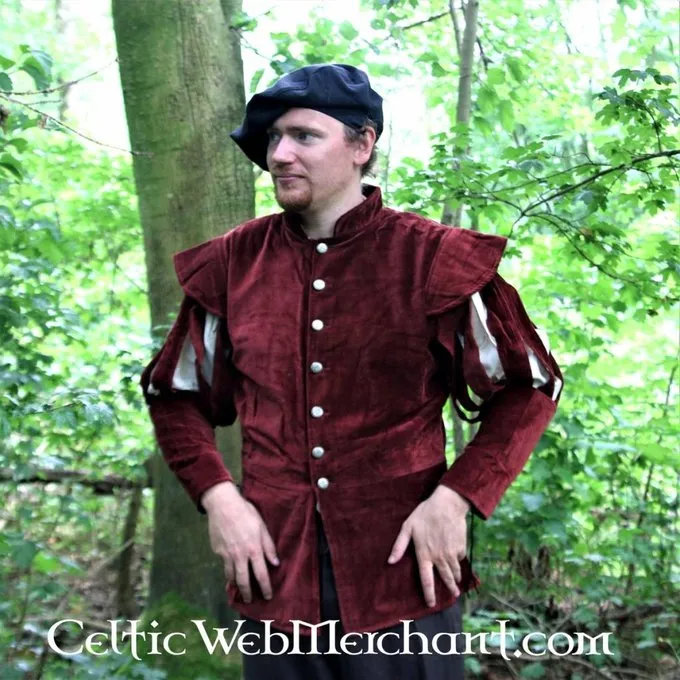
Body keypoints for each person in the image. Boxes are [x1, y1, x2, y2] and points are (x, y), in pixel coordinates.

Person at [141, 63, 564, 679]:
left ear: (362, 144)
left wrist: (457, 499)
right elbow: (173, 392)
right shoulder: (234, 263)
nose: (279, 154)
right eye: (274, 138)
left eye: (304, 136)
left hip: (405, 575)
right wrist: (220, 498)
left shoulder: (431, 259)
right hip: (274, 577)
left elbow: (532, 385)